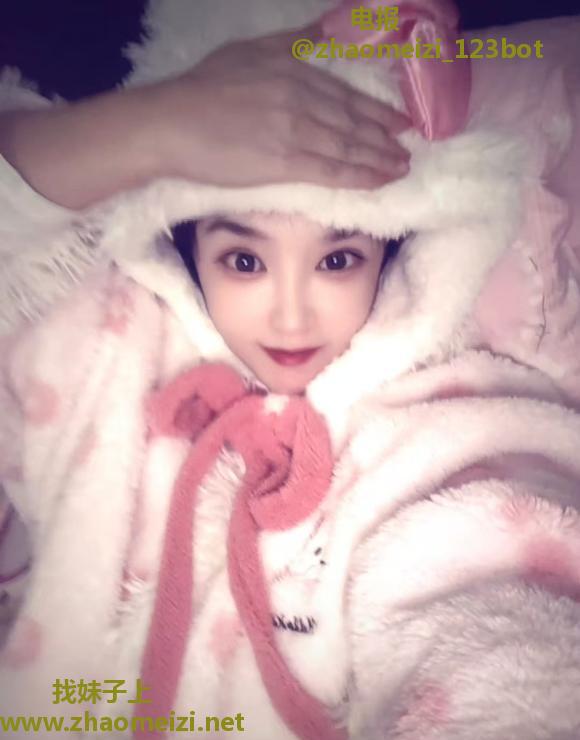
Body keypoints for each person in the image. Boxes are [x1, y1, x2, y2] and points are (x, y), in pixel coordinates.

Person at [1, 0, 580, 738]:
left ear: (391, 252)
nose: (291, 318)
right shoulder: (98, 344)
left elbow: (503, 634)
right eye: (244, 260)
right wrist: (159, 127)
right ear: (183, 248)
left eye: (338, 259)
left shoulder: (444, 429)